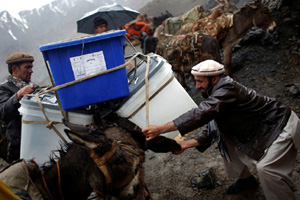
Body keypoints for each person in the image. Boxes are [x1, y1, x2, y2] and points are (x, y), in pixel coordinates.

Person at [142, 59, 300, 200]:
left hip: (278, 125)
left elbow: (202, 113)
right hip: (257, 128)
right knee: (224, 140)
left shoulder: (227, 88)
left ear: (215, 78)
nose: (196, 86)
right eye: (195, 81)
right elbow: (214, 124)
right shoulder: (214, 92)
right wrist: (186, 144)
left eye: (200, 81)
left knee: (266, 169)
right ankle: (246, 180)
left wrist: (161, 129)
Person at [0, 52, 38, 163]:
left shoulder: (34, 87)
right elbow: (3, 113)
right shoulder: (3, 89)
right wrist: (17, 96)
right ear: (15, 69)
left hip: (37, 142)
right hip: (18, 148)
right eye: (27, 67)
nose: (31, 71)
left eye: (31, 67)